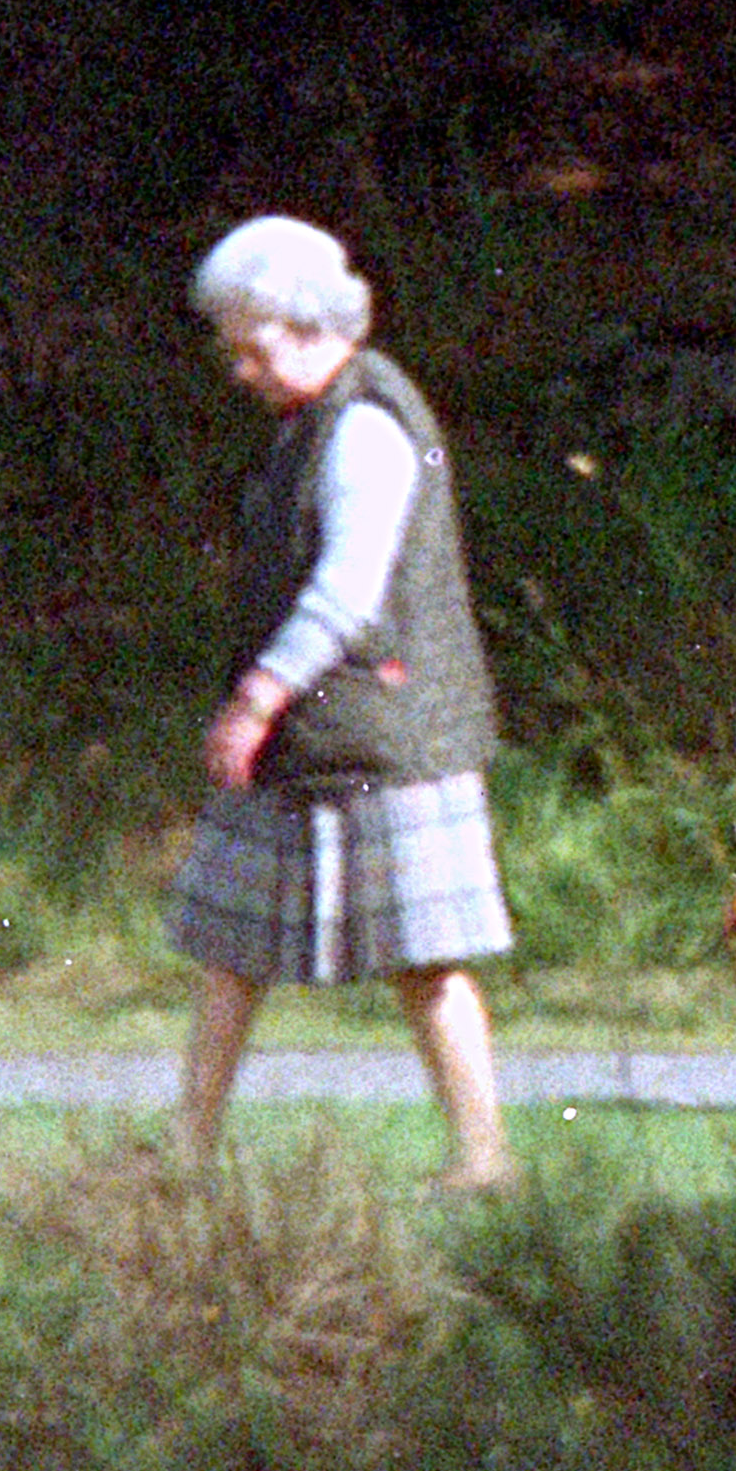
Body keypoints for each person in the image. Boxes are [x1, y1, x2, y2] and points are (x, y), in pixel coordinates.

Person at [166, 214, 515, 1193]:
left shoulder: (367, 425)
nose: (240, 370)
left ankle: (484, 1158)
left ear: (307, 322)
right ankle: (188, 1153)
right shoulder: (308, 424)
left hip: (382, 733)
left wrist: (256, 699)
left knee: (428, 961)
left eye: (253, 347)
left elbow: (347, 590)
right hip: (311, 733)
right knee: (228, 948)